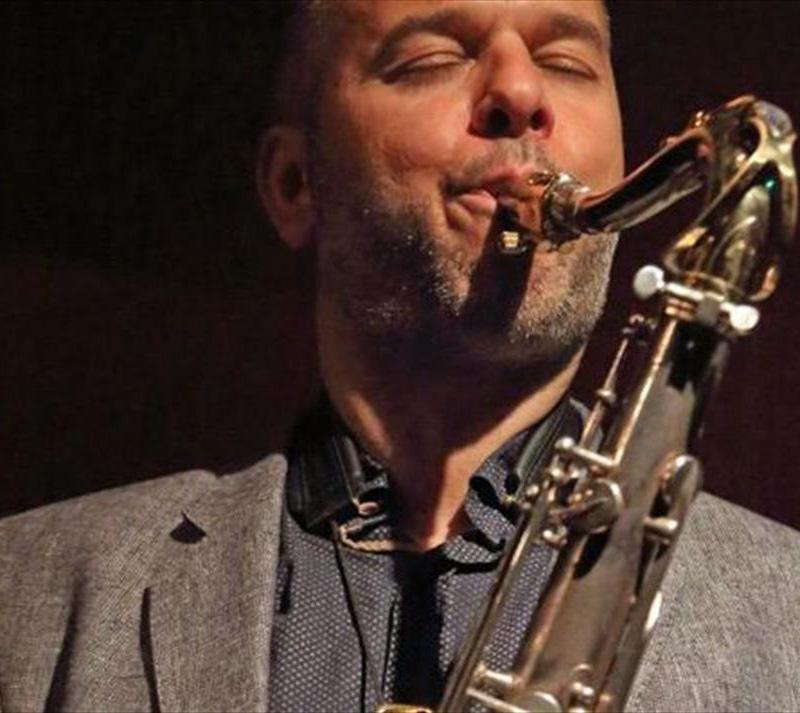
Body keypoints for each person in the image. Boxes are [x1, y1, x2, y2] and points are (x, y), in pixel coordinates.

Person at [1, 2, 798, 711]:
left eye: (565, 61)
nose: (522, 92)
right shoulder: (26, 584)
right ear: (295, 183)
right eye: (431, 59)